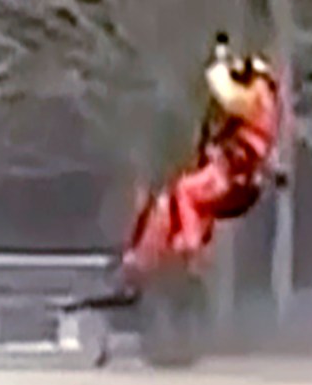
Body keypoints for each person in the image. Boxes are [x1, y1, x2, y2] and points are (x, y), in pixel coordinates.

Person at [74, 33, 285, 310]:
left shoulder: (257, 97)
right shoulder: (258, 104)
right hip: (230, 174)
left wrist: (218, 65)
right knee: (165, 205)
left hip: (232, 175)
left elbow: (225, 93)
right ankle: (139, 264)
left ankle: (186, 247)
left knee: (186, 192)